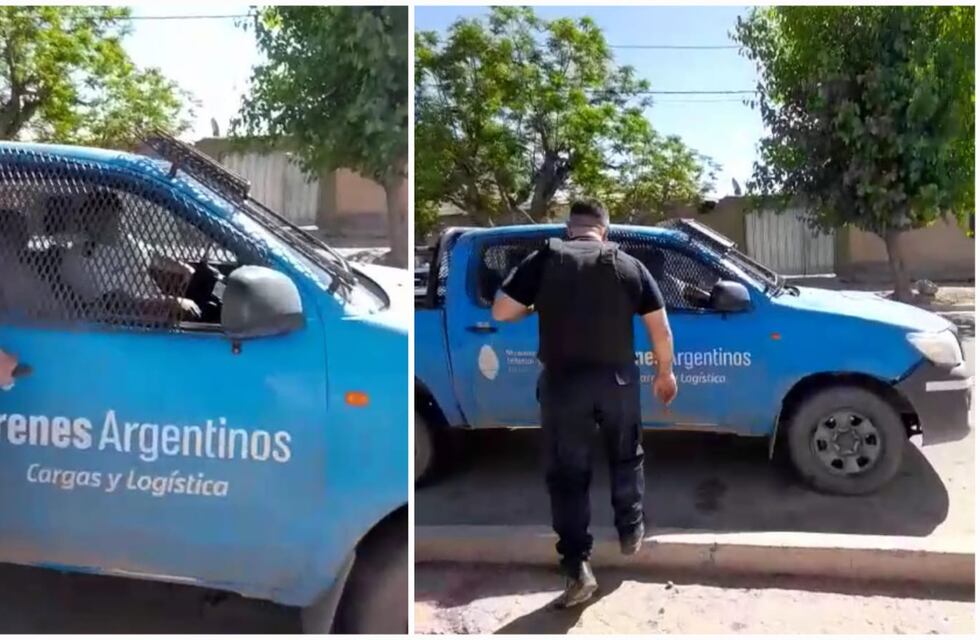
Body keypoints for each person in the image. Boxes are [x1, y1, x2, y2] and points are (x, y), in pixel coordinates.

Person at [491, 199, 678, 608]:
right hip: (618, 381)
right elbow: (660, 329)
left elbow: (502, 310)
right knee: (627, 454)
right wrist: (665, 373)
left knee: (568, 474)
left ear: (568, 229)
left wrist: (537, 305)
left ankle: (578, 568)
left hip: (564, 385)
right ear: (604, 231)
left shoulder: (546, 259)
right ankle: (630, 530)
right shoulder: (627, 265)